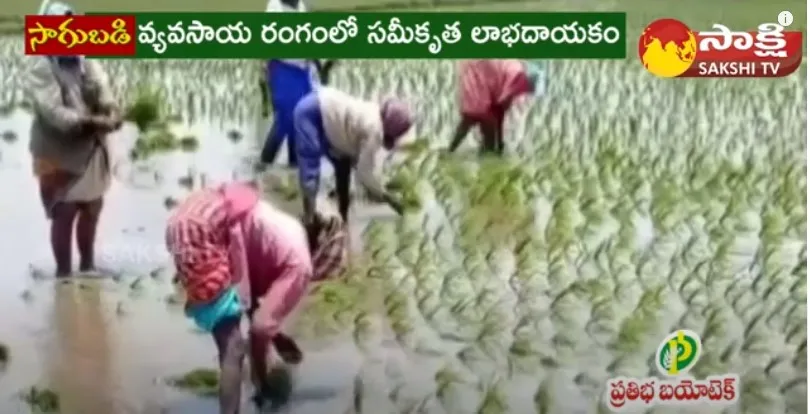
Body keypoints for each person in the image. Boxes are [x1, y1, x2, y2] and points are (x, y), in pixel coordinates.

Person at [165, 182, 348, 414]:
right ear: (323, 247)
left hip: (190, 215)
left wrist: (276, 336)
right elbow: (259, 330)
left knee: (232, 343)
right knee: (232, 349)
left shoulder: (285, 229)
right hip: (203, 228)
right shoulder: (300, 264)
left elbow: (247, 297)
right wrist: (262, 382)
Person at [26, 1, 123, 277]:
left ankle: (89, 267)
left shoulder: (82, 56)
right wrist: (92, 121)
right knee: (63, 211)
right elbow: (53, 111)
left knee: (92, 206)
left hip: (90, 147)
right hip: (56, 150)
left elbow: (100, 86)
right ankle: (64, 275)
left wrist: (111, 108)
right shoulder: (40, 64)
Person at [293, 86, 413, 224]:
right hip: (312, 112)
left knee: (343, 165)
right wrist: (386, 196)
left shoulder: (376, 114)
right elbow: (364, 173)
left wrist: (377, 182)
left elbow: (361, 161)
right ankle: (310, 218)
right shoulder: (374, 130)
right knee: (310, 164)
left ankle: (343, 213)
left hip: (330, 114)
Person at [259, 0, 337, 168]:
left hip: (302, 73)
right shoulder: (275, 7)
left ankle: (293, 168)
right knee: (283, 122)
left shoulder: (302, 6)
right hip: (282, 70)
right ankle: (263, 166)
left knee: (298, 121)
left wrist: (321, 64)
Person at [447, 59, 545, 155]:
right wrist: (499, 143)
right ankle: (483, 161)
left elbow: (499, 110)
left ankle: (449, 152)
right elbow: (501, 107)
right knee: (487, 135)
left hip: (474, 70)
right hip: (478, 78)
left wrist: (500, 142)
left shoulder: (515, 70)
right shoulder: (518, 78)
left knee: (469, 120)